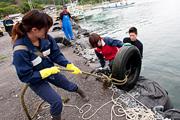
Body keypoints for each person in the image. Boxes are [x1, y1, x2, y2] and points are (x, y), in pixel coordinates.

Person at [12, 9, 89, 120]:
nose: (48, 31)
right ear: (34, 30)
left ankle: (81, 92)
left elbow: (56, 54)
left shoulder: (46, 39)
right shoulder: (20, 50)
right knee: (56, 102)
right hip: (36, 79)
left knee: (67, 84)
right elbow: (24, 76)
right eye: (46, 28)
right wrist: (44, 73)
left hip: (50, 70)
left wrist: (68, 65)